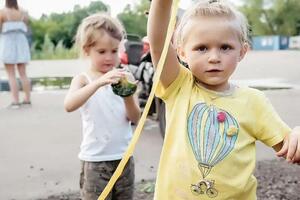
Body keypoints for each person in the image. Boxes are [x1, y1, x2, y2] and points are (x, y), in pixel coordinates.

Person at [147, 0, 300, 199]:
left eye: (225, 47)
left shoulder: (254, 101)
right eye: (202, 48)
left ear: (242, 52)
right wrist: (162, 3)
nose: (214, 57)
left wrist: (296, 136)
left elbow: (289, 147)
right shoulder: (179, 86)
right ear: (182, 51)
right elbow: (158, 43)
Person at [64, 13, 141, 200]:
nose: (109, 57)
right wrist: (98, 83)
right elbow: (69, 105)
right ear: (86, 50)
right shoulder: (83, 79)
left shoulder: (123, 76)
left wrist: (128, 93)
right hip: (95, 161)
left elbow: (135, 117)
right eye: (101, 51)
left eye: (114, 51)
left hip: (123, 158)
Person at [0, 0, 31, 109]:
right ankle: (27, 99)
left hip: (8, 42)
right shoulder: (23, 12)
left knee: (11, 74)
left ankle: (15, 101)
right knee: (23, 74)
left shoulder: (2, 12)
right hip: (21, 42)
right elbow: (26, 27)